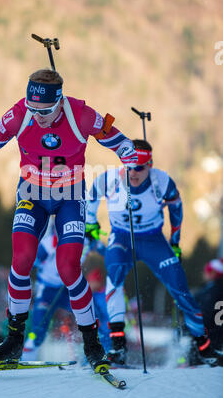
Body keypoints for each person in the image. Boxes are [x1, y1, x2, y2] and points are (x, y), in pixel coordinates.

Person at [0, 68, 137, 371]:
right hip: (32, 193)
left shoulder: (81, 114)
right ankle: (14, 340)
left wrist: (128, 155)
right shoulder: (20, 112)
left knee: (68, 267)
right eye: (33, 109)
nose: (38, 117)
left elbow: (119, 140)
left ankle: (92, 343)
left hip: (70, 196)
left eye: (44, 111)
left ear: (59, 101)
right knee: (22, 260)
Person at [86, 138, 219, 366]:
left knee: (180, 288)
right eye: (129, 167)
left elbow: (176, 209)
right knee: (114, 274)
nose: (134, 173)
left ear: (150, 165)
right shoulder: (109, 179)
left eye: (140, 168)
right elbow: (91, 196)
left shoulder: (162, 181)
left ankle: (205, 348)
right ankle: (118, 346)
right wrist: (91, 225)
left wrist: (175, 241)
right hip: (122, 237)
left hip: (153, 239)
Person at [23, 222, 111, 360]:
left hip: (67, 289)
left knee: (93, 315)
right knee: (39, 327)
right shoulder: (49, 243)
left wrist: (95, 235)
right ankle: (26, 357)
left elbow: (106, 251)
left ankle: (104, 352)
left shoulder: (82, 241)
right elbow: (29, 264)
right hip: (46, 290)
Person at [193, 258, 223, 354]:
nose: (203, 274)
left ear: (214, 273)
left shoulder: (212, 291)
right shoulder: (211, 289)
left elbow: (205, 315)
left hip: (212, 342)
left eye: (206, 271)